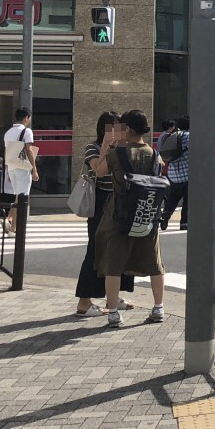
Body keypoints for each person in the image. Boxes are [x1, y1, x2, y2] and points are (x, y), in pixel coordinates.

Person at [91, 109, 165, 329]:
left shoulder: (118, 154)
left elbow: (100, 172)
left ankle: (113, 312)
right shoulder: (154, 154)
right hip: (146, 213)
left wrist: (107, 146)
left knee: (113, 264)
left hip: (119, 215)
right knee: (155, 262)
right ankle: (158, 307)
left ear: (129, 129)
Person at [73, 111, 135, 318]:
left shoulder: (122, 146)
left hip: (119, 200)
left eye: (120, 127)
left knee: (120, 248)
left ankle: (113, 297)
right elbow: (98, 171)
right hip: (100, 201)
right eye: (114, 127)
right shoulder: (93, 147)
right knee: (96, 249)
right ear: (104, 129)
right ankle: (84, 301)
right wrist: (106, 148)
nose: (118, 131)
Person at [2, 107, 38, 234]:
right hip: (22, 167)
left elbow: (6, 152)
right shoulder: (27, 131)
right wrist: (35, 169)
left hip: (11, 166)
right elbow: (29, 150)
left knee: (18, 196)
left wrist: (7, 169)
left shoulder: (8, 132)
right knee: (22, 198)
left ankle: (9, 219)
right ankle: (13, 228)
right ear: (27, 118)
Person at [160, 116, 190, 231]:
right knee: (188, 200)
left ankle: (166, 214)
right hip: (187, 174)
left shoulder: (173, 135)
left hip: (173, 174)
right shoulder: (190, 137)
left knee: (173, 198)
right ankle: (184, 223)